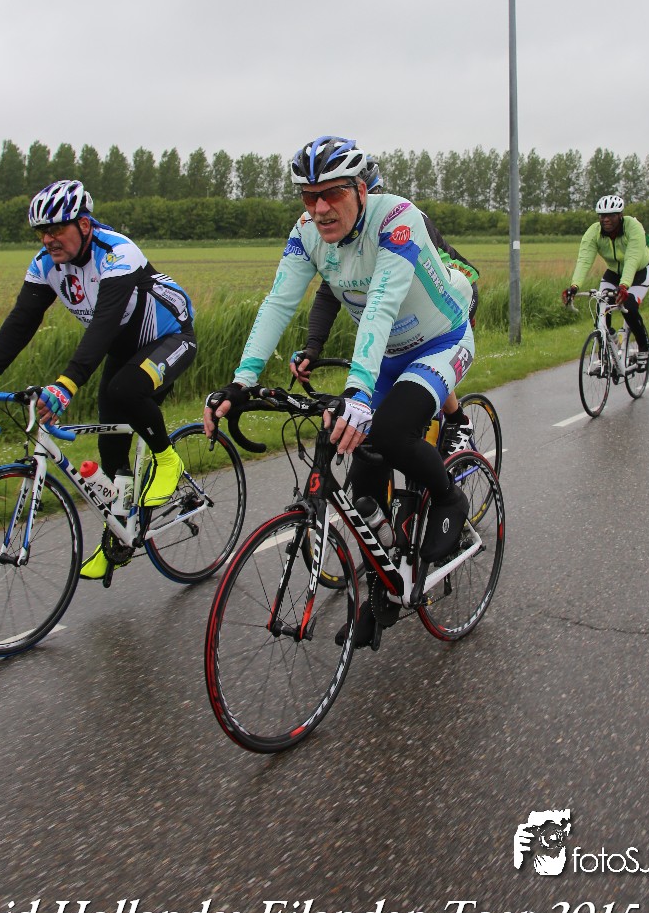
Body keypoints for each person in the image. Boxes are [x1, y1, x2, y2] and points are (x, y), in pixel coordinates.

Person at [204, 135, 476, 649]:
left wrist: (358, 393)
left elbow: (381, 305)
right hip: (389, 355)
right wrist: (242, 380)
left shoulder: (397, 217)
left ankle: (448, 497)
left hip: (441, 341)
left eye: (332, 193)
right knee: (362, 480)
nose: (320, 208)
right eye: (309, 196)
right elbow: (279, 302)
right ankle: (382, 590)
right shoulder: (307, 233)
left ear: (360, 190)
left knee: (391, 432)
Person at [0, 180, 197, 579]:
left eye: (56, 229)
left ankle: (167, 459)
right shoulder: (45, 264)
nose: (48, 239)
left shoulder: (116, 252)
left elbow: (103, 325)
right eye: (41, 232)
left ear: (83, 224)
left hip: (170, 338)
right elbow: (21, 322)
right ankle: (118, 538)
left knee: (125, 390)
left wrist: (65, 385)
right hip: (124, 348)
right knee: (111, 450)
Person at [289, 155, 481, 456]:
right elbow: (329, 291)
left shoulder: (400, 220)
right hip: (407, 312)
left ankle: (457, 421)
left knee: (427, 357)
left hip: (455, 292)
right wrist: (313, 346)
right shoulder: (350, 239)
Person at [561, 194, 649, 366]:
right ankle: (608, 342)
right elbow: (584, 260)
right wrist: (574, 286)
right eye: (602, 216)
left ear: (620, 215)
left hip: (639, 272)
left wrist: (624, 286)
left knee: (630, 307)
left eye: (611, 215)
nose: (606, 219)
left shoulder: (633, 227)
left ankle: (644, 347)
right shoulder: (594, 232)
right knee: (601, 304)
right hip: (613, 272)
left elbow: (632, 259)